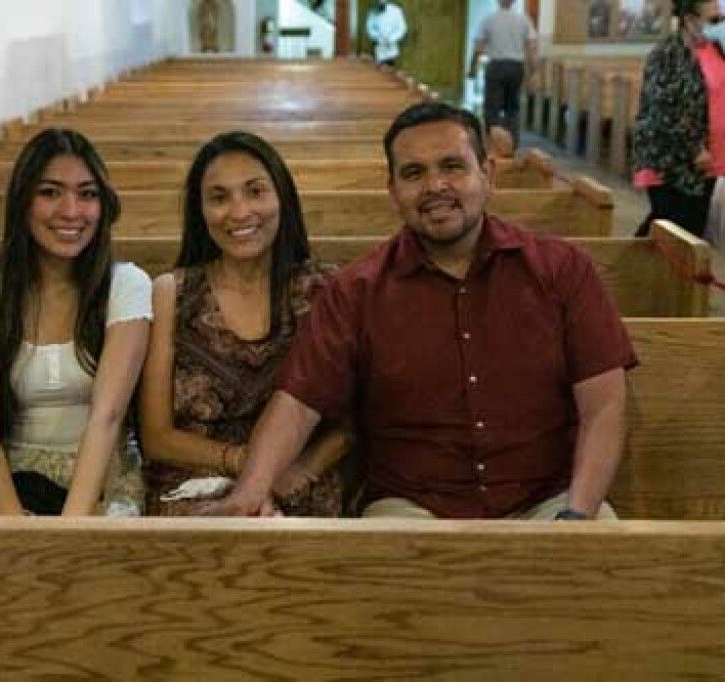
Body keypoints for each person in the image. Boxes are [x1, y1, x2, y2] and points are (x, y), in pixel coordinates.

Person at [210, 102, 637, 521]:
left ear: (488, 174)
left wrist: (577, 515)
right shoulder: (355, 291)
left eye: (452, 167)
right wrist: (251, 490)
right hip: (413, 507)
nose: (434, 186)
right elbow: (299, 404)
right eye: (414, 173)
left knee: (598, 562)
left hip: (549, 500)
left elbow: (602, 405)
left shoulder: (561, 270)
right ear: (393, 191)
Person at [139, 131, 352, 517]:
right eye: (219, 198)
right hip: (195, 479)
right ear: (200, 210)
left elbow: (353, 419)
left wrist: (298, 473)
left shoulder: (324, 290)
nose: (238, 212)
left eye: (255, 192)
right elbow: (156, 437)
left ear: (281, 198)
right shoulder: (173, 293)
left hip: (302, 477)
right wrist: (247, 465)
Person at [0, 129, 151, 516]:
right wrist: (16, 523)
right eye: (49, 193)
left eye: (87, 194)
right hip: (10, 477)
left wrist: (68, 530)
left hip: (102, 474)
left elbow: (106, 417)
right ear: (23, 202)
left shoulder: (126, 285)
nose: (71, 211)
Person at [632, 0, 725, 238]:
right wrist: (694, 148)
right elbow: (661, 110)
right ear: (690, 20)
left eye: (721, 18)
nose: (720, 25)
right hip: (673, 162)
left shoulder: (715, 49)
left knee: (689, 235)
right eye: (713, 20)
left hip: (710, 162)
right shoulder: (666, 54)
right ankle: (614, 271)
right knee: (672, 234)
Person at [469, 0, 539, 149]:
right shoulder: (523, 20)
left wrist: (472, 68)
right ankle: (511, 146)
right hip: (516, 67)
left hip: (496, 66)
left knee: (492, 108)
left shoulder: (489, 19)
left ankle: (492, 145)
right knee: (512, 108)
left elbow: (479, 46)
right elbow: (531, 48)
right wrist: (534, 71)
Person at [366, 1, 408, 67]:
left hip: (393, 48)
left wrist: (391, 38)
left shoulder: (396, 11)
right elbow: (370, 28)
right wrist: (377, 36)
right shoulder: (373, 12)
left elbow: (402, 28)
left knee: (392, 69)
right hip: (379, 47)